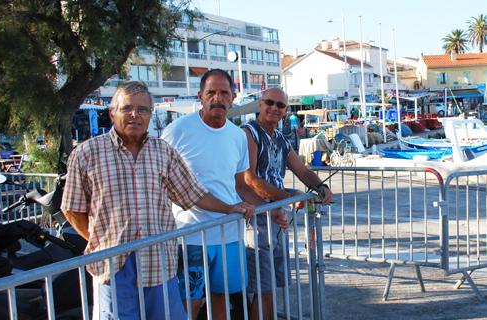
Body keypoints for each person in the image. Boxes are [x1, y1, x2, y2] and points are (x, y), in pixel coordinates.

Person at [61, 81, 254, 320]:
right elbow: (71, 209)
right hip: (113, 267)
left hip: (158, 263)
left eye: (143, 109)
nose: (135, 115)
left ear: (150, 115)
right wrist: (100, 242)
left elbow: (193, 193)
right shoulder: (87, 153)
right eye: (127, 108)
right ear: (112, 113)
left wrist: (230, 208)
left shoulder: (162, 151)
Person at [161, 69, 287, 319]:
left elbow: (241, 186)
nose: (217, 98)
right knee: (190, 302)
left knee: (222, 297)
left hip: (229, 234)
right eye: (211, 92)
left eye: (223, 93)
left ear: (233, 97)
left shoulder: (237, 136)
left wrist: (270, 209)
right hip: (191, 235)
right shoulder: (177, 131)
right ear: (200, 96)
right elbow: (162, 181)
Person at [242, 87, 333, 320]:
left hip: (276, 216)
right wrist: (289, 199)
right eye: (269, 102)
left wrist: (320, 187)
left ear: (285, 111)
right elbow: (249, 179)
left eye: (280, 105)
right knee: (263, 289)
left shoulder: (280, 138)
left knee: (272, 287)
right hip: (257, 218)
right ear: (260, 105)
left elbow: (301, 169)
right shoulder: (249, 133)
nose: (274, 108)